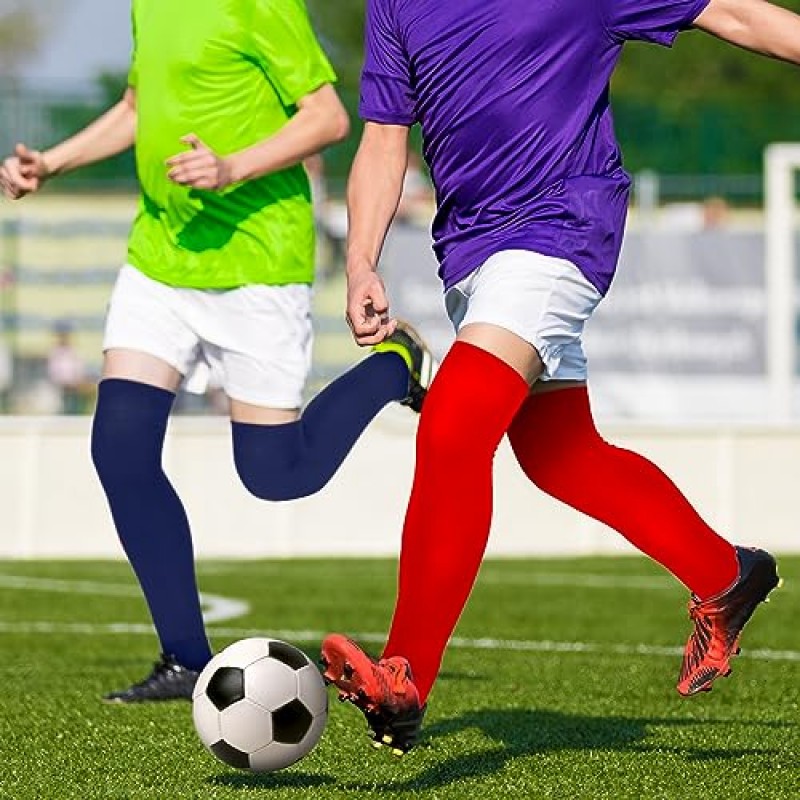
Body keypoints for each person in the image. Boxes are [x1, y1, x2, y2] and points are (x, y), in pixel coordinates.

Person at [320, 0, 792, 755]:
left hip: (562, 225)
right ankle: (727, 573)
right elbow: (383, 138)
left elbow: (734, 16)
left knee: (453, 427)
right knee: (562, 457)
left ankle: (407, 675)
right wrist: (360, 261)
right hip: (471, 252)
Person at [0, 0, 432, 702]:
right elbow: (141, 107)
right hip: (161, 258)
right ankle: (185, 657)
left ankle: (393, 367)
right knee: (120, 448)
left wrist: (232, 167)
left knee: (276, 474)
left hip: (258, 261)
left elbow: (327, 117)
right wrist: (52, 162)